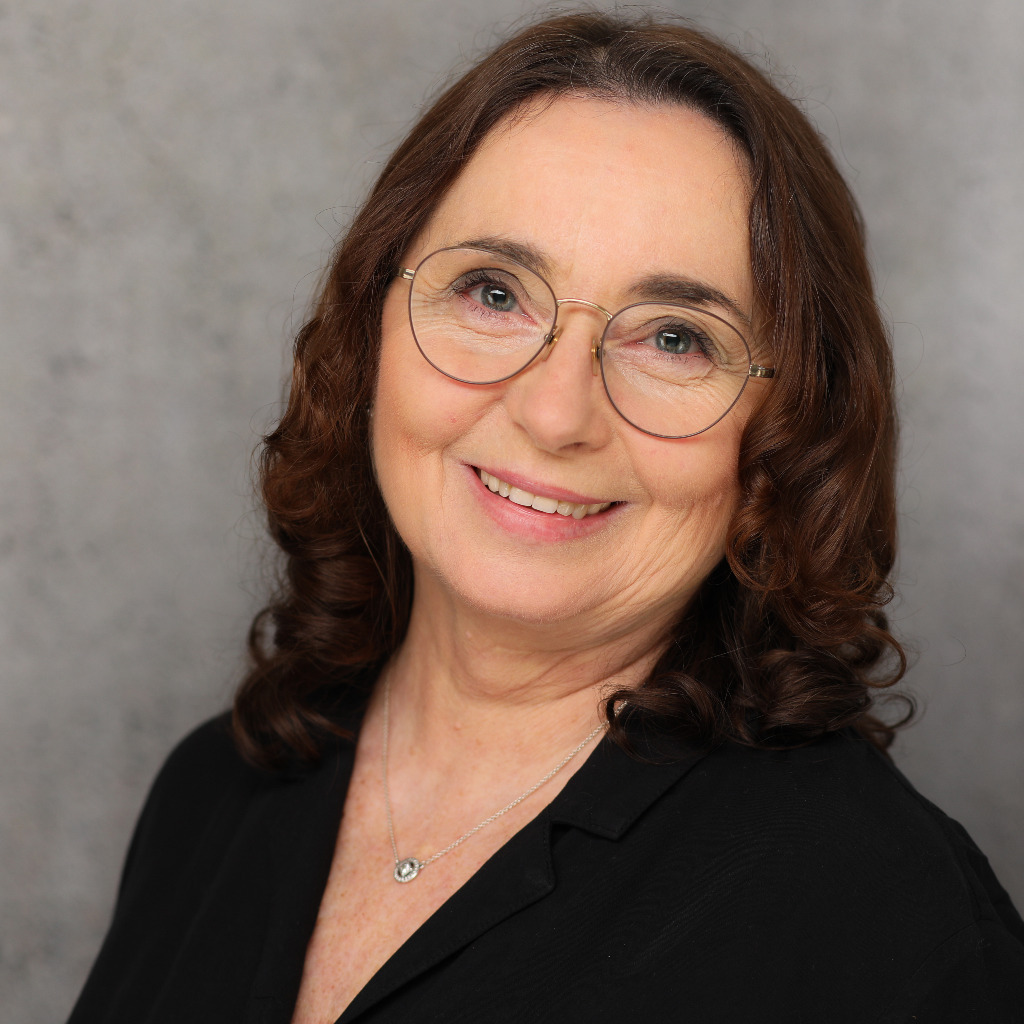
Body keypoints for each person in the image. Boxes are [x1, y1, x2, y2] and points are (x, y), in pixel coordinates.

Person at [69, 10, 1024, 1023]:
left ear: (788, 436)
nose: (555, 413)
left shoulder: (887, 923)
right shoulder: (217, 791)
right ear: (369, 329)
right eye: (493, 292)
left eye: (674, 338)